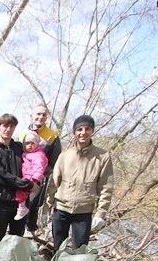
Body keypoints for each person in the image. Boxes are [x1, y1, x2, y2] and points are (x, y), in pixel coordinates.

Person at [46, 114, 113, 251]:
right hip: (61, 209)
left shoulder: (102, 157)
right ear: (74, 132)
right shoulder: (65, 155)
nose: (83, 133)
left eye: (87, 129)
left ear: (92, 131)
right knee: (58, 249)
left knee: (80, 252)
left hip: (84, 210)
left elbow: (106, 187)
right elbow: (53, 183)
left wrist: (101, 214)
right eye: (79, 129)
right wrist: (46, 209)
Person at [0, 113, 34, 256]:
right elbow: (2, 176)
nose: (8, 129)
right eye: (5, 126)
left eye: (11, 126)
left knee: (17, 241)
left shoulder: (19, 148)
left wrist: (36, 181)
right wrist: (27, 185)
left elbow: (35, 159)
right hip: (3, 201)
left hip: (21, 202)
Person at [21, 104, 62, 232]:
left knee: (33, 204)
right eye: (38, 114)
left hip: (39, 177)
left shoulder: (52, 136)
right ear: (32, 116)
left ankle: (31, 231)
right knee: (20, 203)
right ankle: (18, 231)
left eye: (44, 114)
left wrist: (43, 175)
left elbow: (55, 159)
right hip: (22, 175)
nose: (41, 117)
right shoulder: (22, 133)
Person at [14, 131, 47, 220]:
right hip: (26, 176)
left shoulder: (38, 155)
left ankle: (22, 209)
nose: (30, 145)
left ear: (36, 144)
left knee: (21, 193)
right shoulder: (27, 154)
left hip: (31, 178)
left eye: (32, 143)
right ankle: (22, 208)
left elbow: (39, 167)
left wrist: (35, 178)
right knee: (21, 193)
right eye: (27, 143)